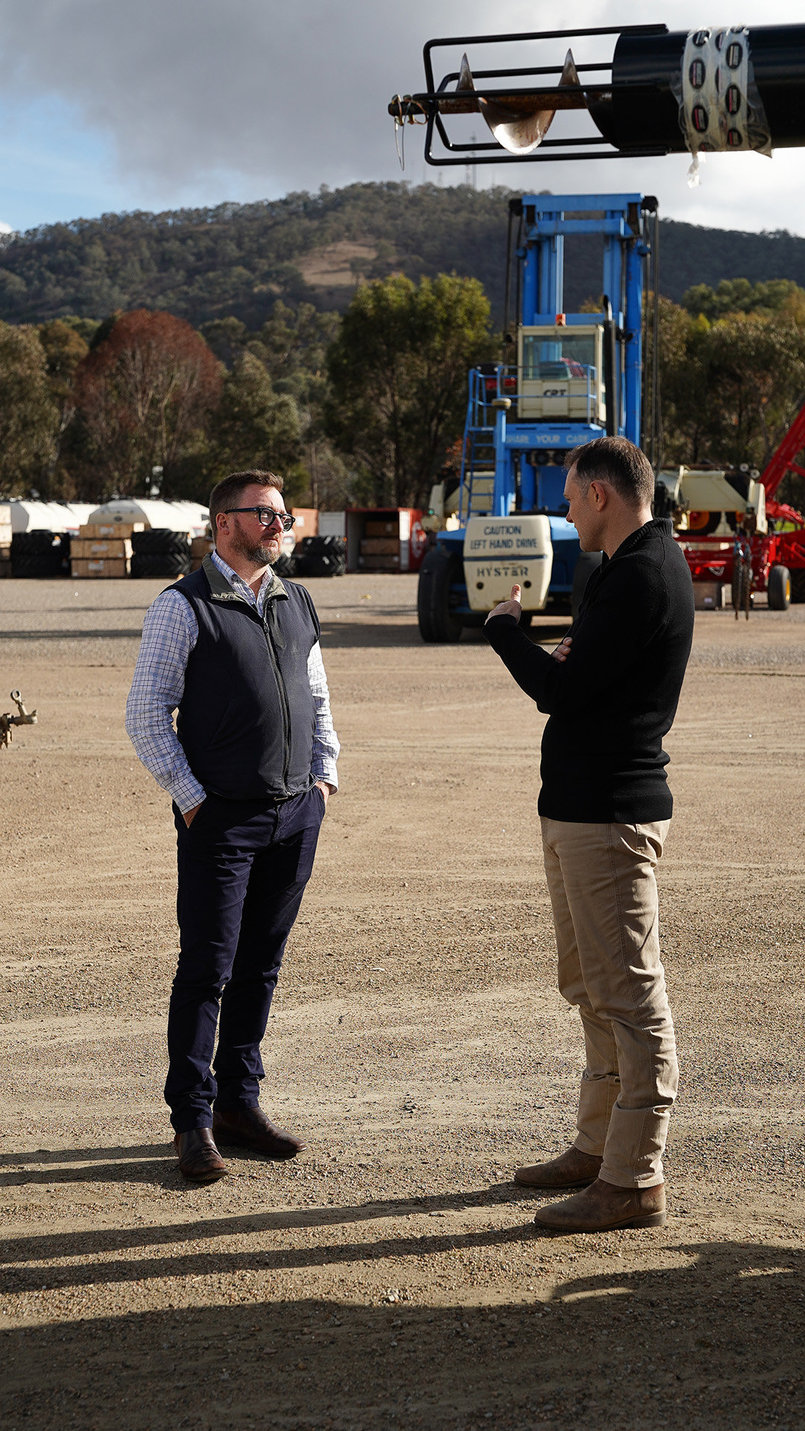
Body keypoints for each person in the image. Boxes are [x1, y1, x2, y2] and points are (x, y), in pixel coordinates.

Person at [484, 436, 694, 1233]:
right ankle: (598, 1146)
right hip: (577, 806)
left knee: (629, 996)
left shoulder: (642, 573)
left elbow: (562, 688)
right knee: (589, 986)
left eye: (571, 495)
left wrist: (506, 628)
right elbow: (581, 676)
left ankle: (633, 1177)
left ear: (602, 495)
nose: (565, 510)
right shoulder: (618, 569)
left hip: (609, 814)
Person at [126, 470, 339, 1184]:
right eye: (266, 515)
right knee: (207, 970)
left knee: (261, 965)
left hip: (293, 812)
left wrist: (324, 774)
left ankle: (240, 1105)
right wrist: (191, 797)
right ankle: (192, 1119)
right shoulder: (181, 606)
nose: (280, 525)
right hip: (221, 818)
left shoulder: (294, 596)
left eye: (283, 515)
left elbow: (315, 693)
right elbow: (145, 712)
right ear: (225, 523)